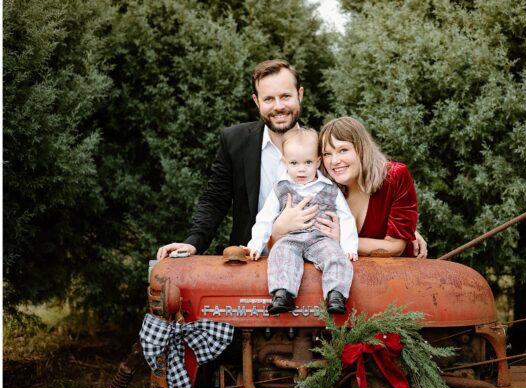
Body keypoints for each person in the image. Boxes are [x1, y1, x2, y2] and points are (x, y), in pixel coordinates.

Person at [156, 60, 427, 262]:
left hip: (313, 260)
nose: (279, 106)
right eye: (269, 99)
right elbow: (214, 199)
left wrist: (405, 233)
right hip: (253, 259)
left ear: (300, 95)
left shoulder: (320, 146)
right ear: (256, 101)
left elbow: (356, 188)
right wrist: (193, 243)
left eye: (286, 96)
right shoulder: (234, 141)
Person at [246, 127, 357, 316]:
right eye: (294, 163)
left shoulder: (330, 188)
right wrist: (255, 244)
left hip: (321, 239)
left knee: (336, 257)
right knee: (280, 254)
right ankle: (283, 294)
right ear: (284, 162)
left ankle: (336, 294)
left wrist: (349, 247)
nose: (301, 169)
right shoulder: (280, 188)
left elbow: (346, 218)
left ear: (318, 162)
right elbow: (265, 218)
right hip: (290, 239)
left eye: (308, 162)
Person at [276, 115, 421, 259]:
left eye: (343, 150)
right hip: (341, 273)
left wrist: (342, 240)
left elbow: (395, 247)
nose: (335, 161)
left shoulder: (395, 177)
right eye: (327, 154)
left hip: (394, 275)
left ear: (361, 149)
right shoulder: (320, 184)